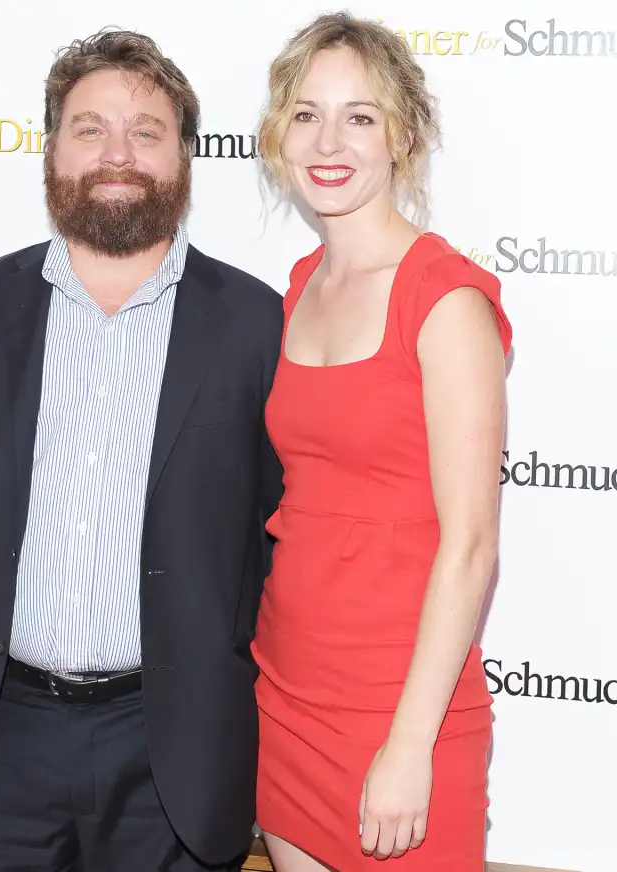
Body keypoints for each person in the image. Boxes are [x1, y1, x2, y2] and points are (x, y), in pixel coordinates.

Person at [0, 28, 283, 872]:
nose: (118, 154)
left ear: (185, 157)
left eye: (147, 131)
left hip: (176, 744)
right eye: (90, 129)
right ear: (51, 150)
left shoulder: (255, 324)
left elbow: (267, 526)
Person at [251, 12, 512, 872]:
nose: (329, 141)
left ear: (402, 135)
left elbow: (470, 547)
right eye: (306, 113)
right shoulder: (298, 288)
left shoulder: (446, 302)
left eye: (360, 117)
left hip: (404, 716)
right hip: (287, 698)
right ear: (278, 132)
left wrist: (408, 748)